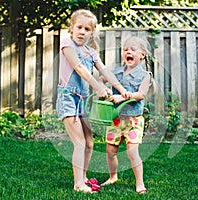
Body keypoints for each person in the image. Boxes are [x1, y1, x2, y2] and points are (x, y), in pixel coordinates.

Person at [56, 9, 127, 193]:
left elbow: (105, 72)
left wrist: (121, 90)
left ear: (91, 32)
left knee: (89, 143)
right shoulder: (67, 44)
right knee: (79, 143)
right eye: (79, 27)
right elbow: (78, 68)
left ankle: (83, 178)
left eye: (87, 29)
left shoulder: (91, 52)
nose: (82, 32)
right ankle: (78, 185)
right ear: (71, 28)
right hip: (68, 97)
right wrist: (97, 86)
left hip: (83, 101)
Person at [99, 36, 155, 194]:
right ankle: (112, 177)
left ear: (142, 55)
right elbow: (100, 80)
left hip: (133, 121)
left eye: (132, 50)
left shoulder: (145, 75)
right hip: (115, 120)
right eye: (125, 49)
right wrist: (105, 90)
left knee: (132, 152)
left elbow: (141, 94)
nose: (128, 52)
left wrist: (122, 96)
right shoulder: (116, 72)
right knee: (110, 151)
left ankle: (140, 183)